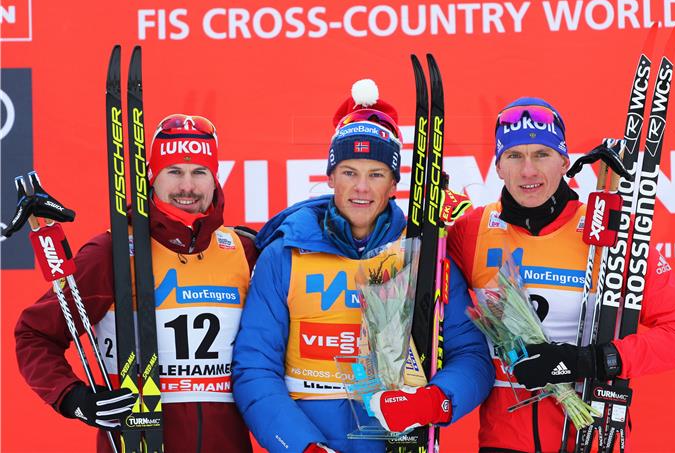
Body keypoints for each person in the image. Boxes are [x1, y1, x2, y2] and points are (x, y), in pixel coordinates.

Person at [232, 80, 494, 453]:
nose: (362, 188)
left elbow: (470, 354)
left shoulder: (423, 255)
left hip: (396, 442)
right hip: (312, 442)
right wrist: (302, 446)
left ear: (393, 185)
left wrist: (434, 400)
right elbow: (255, 368)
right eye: (349, 172)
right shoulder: (285, 255)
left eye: (375, 174)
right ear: (330, 177)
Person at [446, 97, 675, 453]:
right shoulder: (471, 231)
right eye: (514, 156)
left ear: (565, 162)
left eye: (542, 154)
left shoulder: (608, 234)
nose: (528, 171)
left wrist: (590, 361)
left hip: (588, 436)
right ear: (498, 167)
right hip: (502, 442)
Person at [15, 114, 258, 452]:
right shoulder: (111, 253)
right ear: (150, 177)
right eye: (173, 171)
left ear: (215, 179)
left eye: (199, 172)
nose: (187, 187)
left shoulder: (242, 250)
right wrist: (73, 397)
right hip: (139, 441)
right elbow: (34, 333)